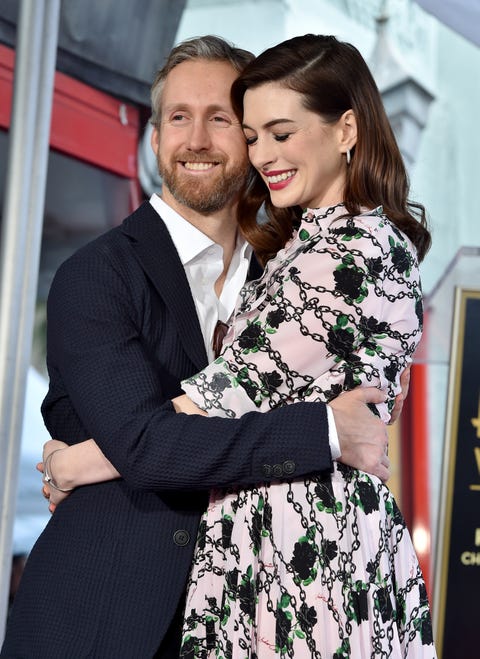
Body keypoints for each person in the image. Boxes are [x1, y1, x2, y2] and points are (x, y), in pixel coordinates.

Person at [1, 36, 395, 659]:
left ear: (252, 138)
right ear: (154, 138)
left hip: (254, 613)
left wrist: (81, 461)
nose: (197, 140)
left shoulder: (295, 277)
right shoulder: (97, 275)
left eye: (221, 119)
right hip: (103, 623)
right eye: (178, 118)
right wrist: (323, 435)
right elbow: (148, 447)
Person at [170, 34, 435, 657]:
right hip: (268, 532)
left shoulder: (356, 251)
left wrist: (77, 463)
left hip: (310, 547)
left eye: (282, 133)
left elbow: (209, 408)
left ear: (346, 129)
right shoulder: (301, 247)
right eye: (255, 135)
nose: (263, 154)